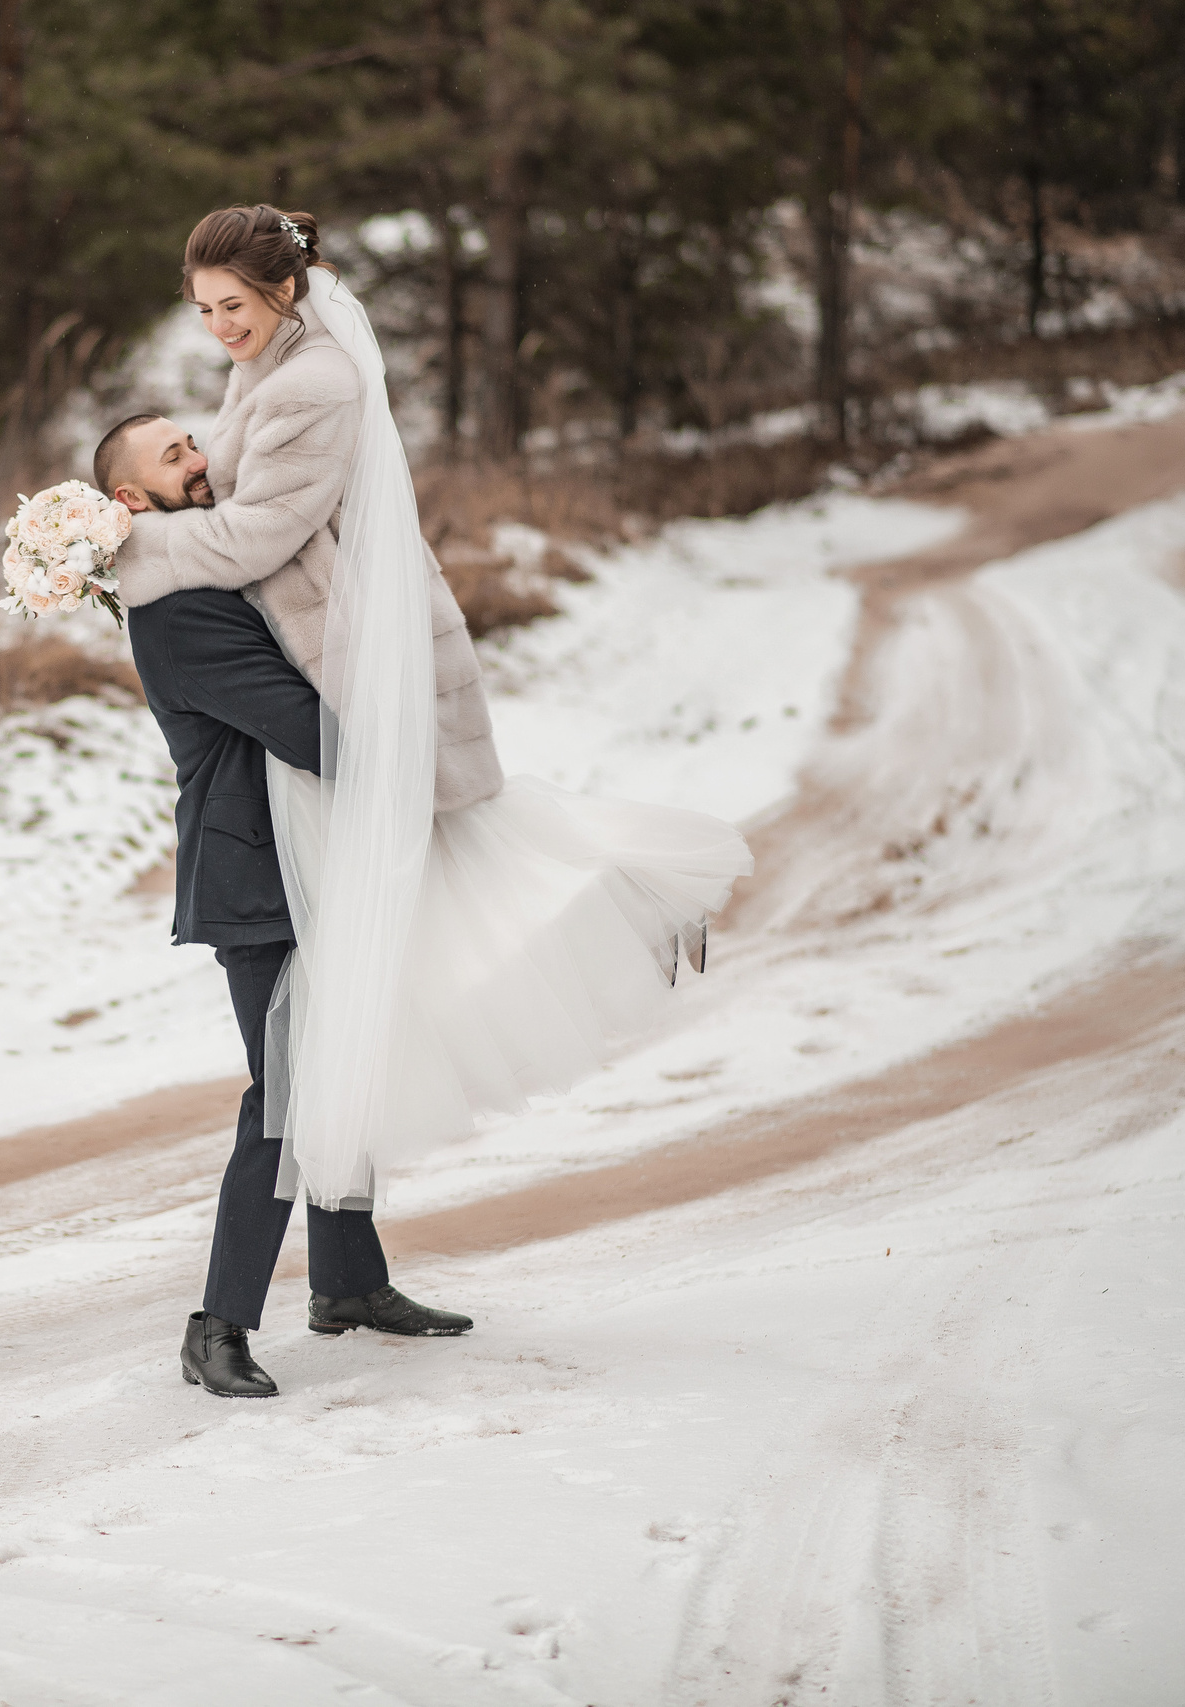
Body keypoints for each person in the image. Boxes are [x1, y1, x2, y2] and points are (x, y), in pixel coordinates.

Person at [115, 205, 753, 1234]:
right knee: (445, 868)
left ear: (282, 289)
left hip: (352, 645)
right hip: (330, 634)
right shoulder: (266, 369)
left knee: (457, 844)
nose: (219, 326)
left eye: (233, 305)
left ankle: (635, 888)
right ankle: (349, 1280)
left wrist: (129, 553)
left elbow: (257, 535)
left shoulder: (313, 383)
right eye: (204, 310)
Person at [95, 412, 473, 1401]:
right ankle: (215, 1325)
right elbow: (303, 724)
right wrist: (400, 740)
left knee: (340, 1066)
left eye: (193, 441)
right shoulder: (176, 610)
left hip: (318, 858)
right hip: (258, 877)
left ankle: (348, 1283)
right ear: (130, 499)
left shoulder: (219, 570)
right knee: (287, 1094)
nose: (199, 459)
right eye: (173, 457)